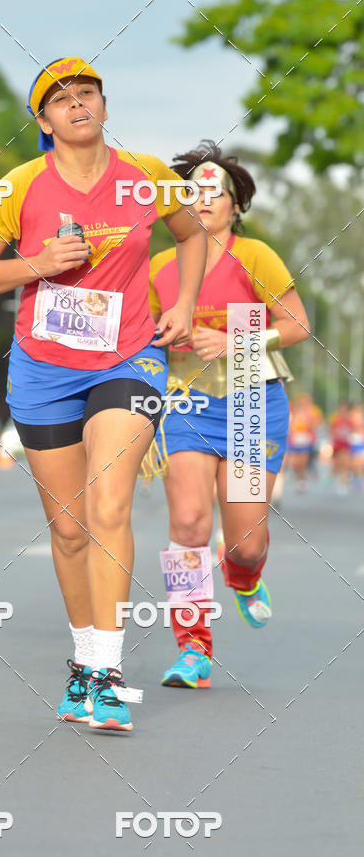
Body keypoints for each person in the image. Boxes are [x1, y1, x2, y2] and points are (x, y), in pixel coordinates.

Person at [0, 57, 207, 731]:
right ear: (44, 120)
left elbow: (192, 236)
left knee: (109, 500)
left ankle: (106, 672)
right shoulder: (19, 187)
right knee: (68, 531)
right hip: (44, 369)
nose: (77, 105)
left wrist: (181, 303)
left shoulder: (147, 176)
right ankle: (83, 660)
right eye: (61, 99)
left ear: (103, 104)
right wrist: (37, 264)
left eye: (87, 93)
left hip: (129, 356)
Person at [146, 140, 310, 689]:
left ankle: (243, 575)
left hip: (248, 399)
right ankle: (193, 649)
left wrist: (236, 339)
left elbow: (295, 326)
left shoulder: (256, 255)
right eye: (193, 190)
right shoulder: (160, 266)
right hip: (186, 403)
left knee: (245, 541)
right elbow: (139, 340)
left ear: (237, 205)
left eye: (218, 191)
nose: (205, 198)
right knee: (189, 524)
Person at [286, 392, 322, 492]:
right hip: (295, 439)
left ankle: (302, 481)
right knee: (294, 463)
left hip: (306, 440)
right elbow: (290, 425)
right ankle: (299, 477)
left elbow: (316, 425)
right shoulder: (294, 412)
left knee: (302, 462)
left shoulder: (312, 412)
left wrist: (309, 423)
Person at [330, 401, 353, 495]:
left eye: (345, 409)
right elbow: (332, 432)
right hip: (337, 446)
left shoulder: (350, 421)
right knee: (337, 466)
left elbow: (354, 432)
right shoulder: (335, 420)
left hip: (346, 446)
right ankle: (333, 478)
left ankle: (343, 485)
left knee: (346, 465)